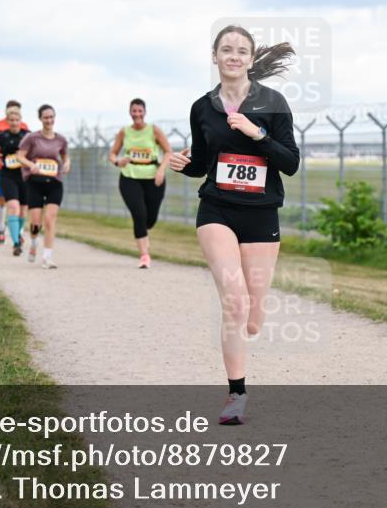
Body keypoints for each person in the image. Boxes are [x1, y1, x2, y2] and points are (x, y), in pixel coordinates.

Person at [169, 24, 299, 425]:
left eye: (242, 50)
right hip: (217, 210)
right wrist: (185, 165)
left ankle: (252, 318)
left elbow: (290, 163)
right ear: (215, 56)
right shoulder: (202, 107)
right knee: (235, 302)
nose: (234, 56)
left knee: (253, 315)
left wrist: (257, 133)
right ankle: (236, 395)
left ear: (250, 58)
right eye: (227, 49)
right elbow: (205, 164)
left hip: (261, 213)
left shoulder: (273, 102)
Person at [108, 98, 172, 268]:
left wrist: (161, 170)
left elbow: (168, 152)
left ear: (144, 112)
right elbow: (112, 154)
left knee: (149, 220)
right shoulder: (124, 132)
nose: (137, 114)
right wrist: (118, 162)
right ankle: (144, 255)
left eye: (139, 111)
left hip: (153, 177)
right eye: (134, 111)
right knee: (139, 214)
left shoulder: (154, 130)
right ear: (130, 112)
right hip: (129, 176)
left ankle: (144, 233)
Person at [17, 104, 70, 269]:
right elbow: (19, 156)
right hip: (35, 183)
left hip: (54, 182)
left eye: (51, 117)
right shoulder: (31, 138)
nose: (49, 120)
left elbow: (65, 156)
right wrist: (30, 165)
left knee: (49, 219)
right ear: (40, 119)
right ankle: (33, 242)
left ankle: (47, 258)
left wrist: (67, 164)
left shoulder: (61, 139)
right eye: (46, 117)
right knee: (36, 222)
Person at [0, 107, 29, 256]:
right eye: (11, 120)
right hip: (8, 175)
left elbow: (36, 151)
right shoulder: (2, 135)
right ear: (7, 121)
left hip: (24, 175)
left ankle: (18, 233)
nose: (14, 123)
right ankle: (16, 242)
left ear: (20, 120)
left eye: (17, 120)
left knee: (23, 210)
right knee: (13, 207)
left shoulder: (27, 135)